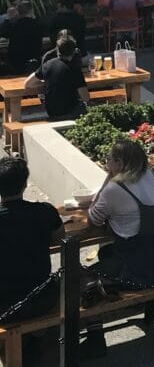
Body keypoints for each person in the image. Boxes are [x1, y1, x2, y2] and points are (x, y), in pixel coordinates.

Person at [87, 140, 154, 287]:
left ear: (119, 163)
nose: (107, 163)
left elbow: (92, 220)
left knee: (83, 276)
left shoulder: (113, 189)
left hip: (140, 270)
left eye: (109, 159)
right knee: (107, 253)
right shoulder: (149, 176)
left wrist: (108, 180)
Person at [0, 157, 62, 324]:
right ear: (25, 184)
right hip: (42, 299)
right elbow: (59, 238)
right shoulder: (45, 212)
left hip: (4, 306)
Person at [25, 35, 90, 120]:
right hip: (71, 110)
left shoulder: (47, 64)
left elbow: (28, 83)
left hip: (52, 111)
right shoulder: (74, 69)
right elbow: (86, 97)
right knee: (91, 108)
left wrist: (48, 82)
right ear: (74, 51)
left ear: (57, 50)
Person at [0, 0, 45, 74]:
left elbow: (4, 33)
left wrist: (8, 18)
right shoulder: (38, 25)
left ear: (17, 12)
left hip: (16, 58)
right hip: (34, 55)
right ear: (31, 10)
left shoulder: (14, 26)